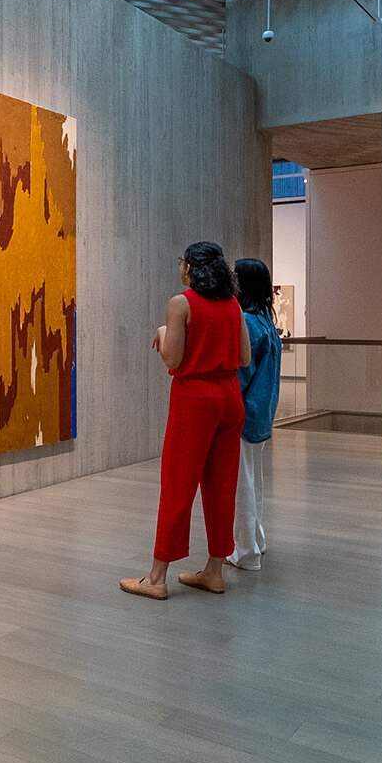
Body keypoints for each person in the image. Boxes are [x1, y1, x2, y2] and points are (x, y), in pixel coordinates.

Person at [121, 241, 250, 600]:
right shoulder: (233, 304)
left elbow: (173, 361)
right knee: (222, 485)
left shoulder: (181, 304)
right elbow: (243, 357)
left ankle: (157, 577)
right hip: (230, 398)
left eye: (182, 262)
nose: (181, 268)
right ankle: (214, 571)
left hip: (196, 397)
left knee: (178, 483)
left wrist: (163, 333)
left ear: (191, 267)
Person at [228, 258, 281, 571]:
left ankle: (246, 552)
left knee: (242, 486)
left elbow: (241, 372)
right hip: (262, 413)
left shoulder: (247, 322)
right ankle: (257, 540)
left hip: (245, 414)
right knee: (253, 482)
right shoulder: (265, 321)